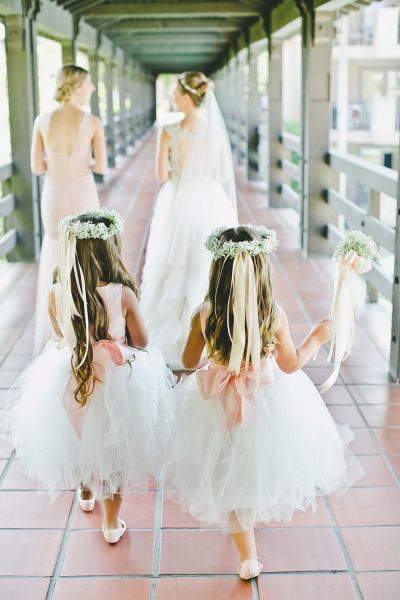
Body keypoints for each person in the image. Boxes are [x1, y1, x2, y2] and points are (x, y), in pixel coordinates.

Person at [160, 225, 363, 579]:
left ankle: (247, 555)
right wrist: (315, 337)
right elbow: (290, 365)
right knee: (255, 464)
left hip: (216, 404)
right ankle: (248, 551)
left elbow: (190, 362)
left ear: (219, 272)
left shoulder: (205, 315)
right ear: (261, 271)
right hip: (267, 403)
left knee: (228, 469)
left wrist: (212, 356)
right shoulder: (273, 314)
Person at [4, 208, 172, 544]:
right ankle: (111, 524)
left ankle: (84, 493)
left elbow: (60, 332)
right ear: (110, 248)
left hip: (72, 372)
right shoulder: (121, 293)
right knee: (114, 451)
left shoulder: (56, 292)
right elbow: (142, 341)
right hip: (117, 380)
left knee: (76, 437)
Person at [140, 71, 238, 369]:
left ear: (187, 97)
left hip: (176, 200)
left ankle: (176, 340)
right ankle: (211, 335)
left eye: (176, 94)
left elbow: (160, 175)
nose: (173, 98)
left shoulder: (169, 131)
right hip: (209, 200)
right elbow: (222, 174)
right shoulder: (214, 130)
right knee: (205, 262)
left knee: (172, 263)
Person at [31, 64, 107, 355]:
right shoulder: (92, 122)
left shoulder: (42, 120)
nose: (92, 88)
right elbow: (100, 165)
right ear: (76, 86)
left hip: (54, 192)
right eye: (88, 83)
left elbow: (37, 167)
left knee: (55, 251)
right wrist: (81, 162)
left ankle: (56, 333)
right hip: (84, 191)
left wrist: (57, 162)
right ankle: (88, 326)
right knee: (89, 251)